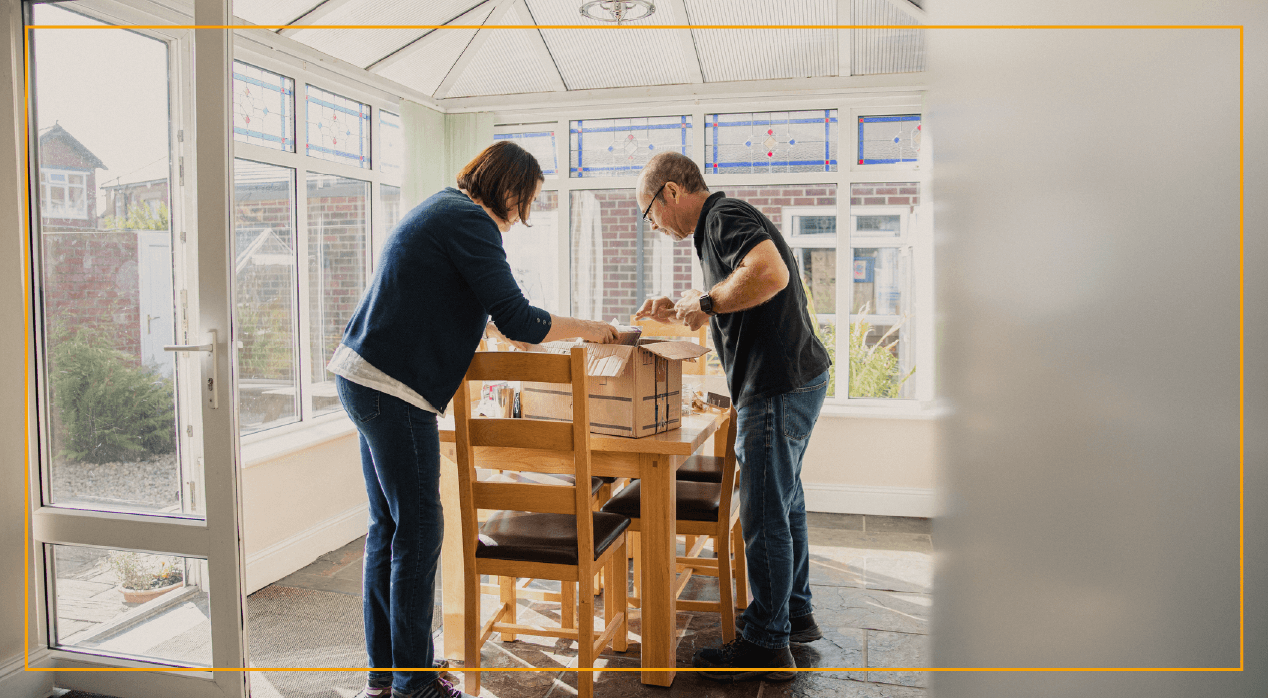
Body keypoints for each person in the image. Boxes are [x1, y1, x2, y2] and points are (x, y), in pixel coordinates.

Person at [330, 141, 618, 698]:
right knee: (418, 532)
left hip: (361, 375)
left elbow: (446, 300)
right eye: (525, 200)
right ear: (510, 189)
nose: (521, 217)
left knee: (389, 531)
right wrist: (590, 328)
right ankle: (415, 684)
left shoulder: (442, 208)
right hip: (393, 390)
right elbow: (518, 319)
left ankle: (386, 679)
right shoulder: (469, 220)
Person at [633, 151, 832, 682]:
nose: (652, 225)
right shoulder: (718, 229)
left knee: (765, 512)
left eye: (649, 211)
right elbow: (729, 296)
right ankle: (795, 615)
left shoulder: (723, 216)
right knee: (783, 503)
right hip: (797, 378)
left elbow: (769, 274)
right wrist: (683, 307)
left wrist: (707, 302)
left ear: (672, 192)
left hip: (775, 385)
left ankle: (767, 644)